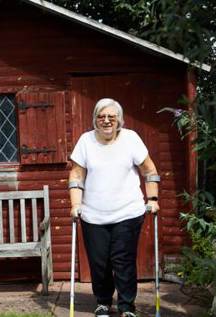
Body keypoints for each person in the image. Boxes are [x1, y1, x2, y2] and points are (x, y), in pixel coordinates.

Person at [68, 98, 160, 317]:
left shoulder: (131, 139)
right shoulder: (86, 141)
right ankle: (103, 302)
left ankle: (127, 306)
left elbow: (149, 170)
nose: (106, 121)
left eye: (111, 116)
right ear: (95, 119)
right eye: (101, 116)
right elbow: (77, 175)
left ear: (119, 119)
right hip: (93, 214)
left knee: (123, 259)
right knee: (99, 262)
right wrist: (75, 204)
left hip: (127, 211)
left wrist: (153, 199)